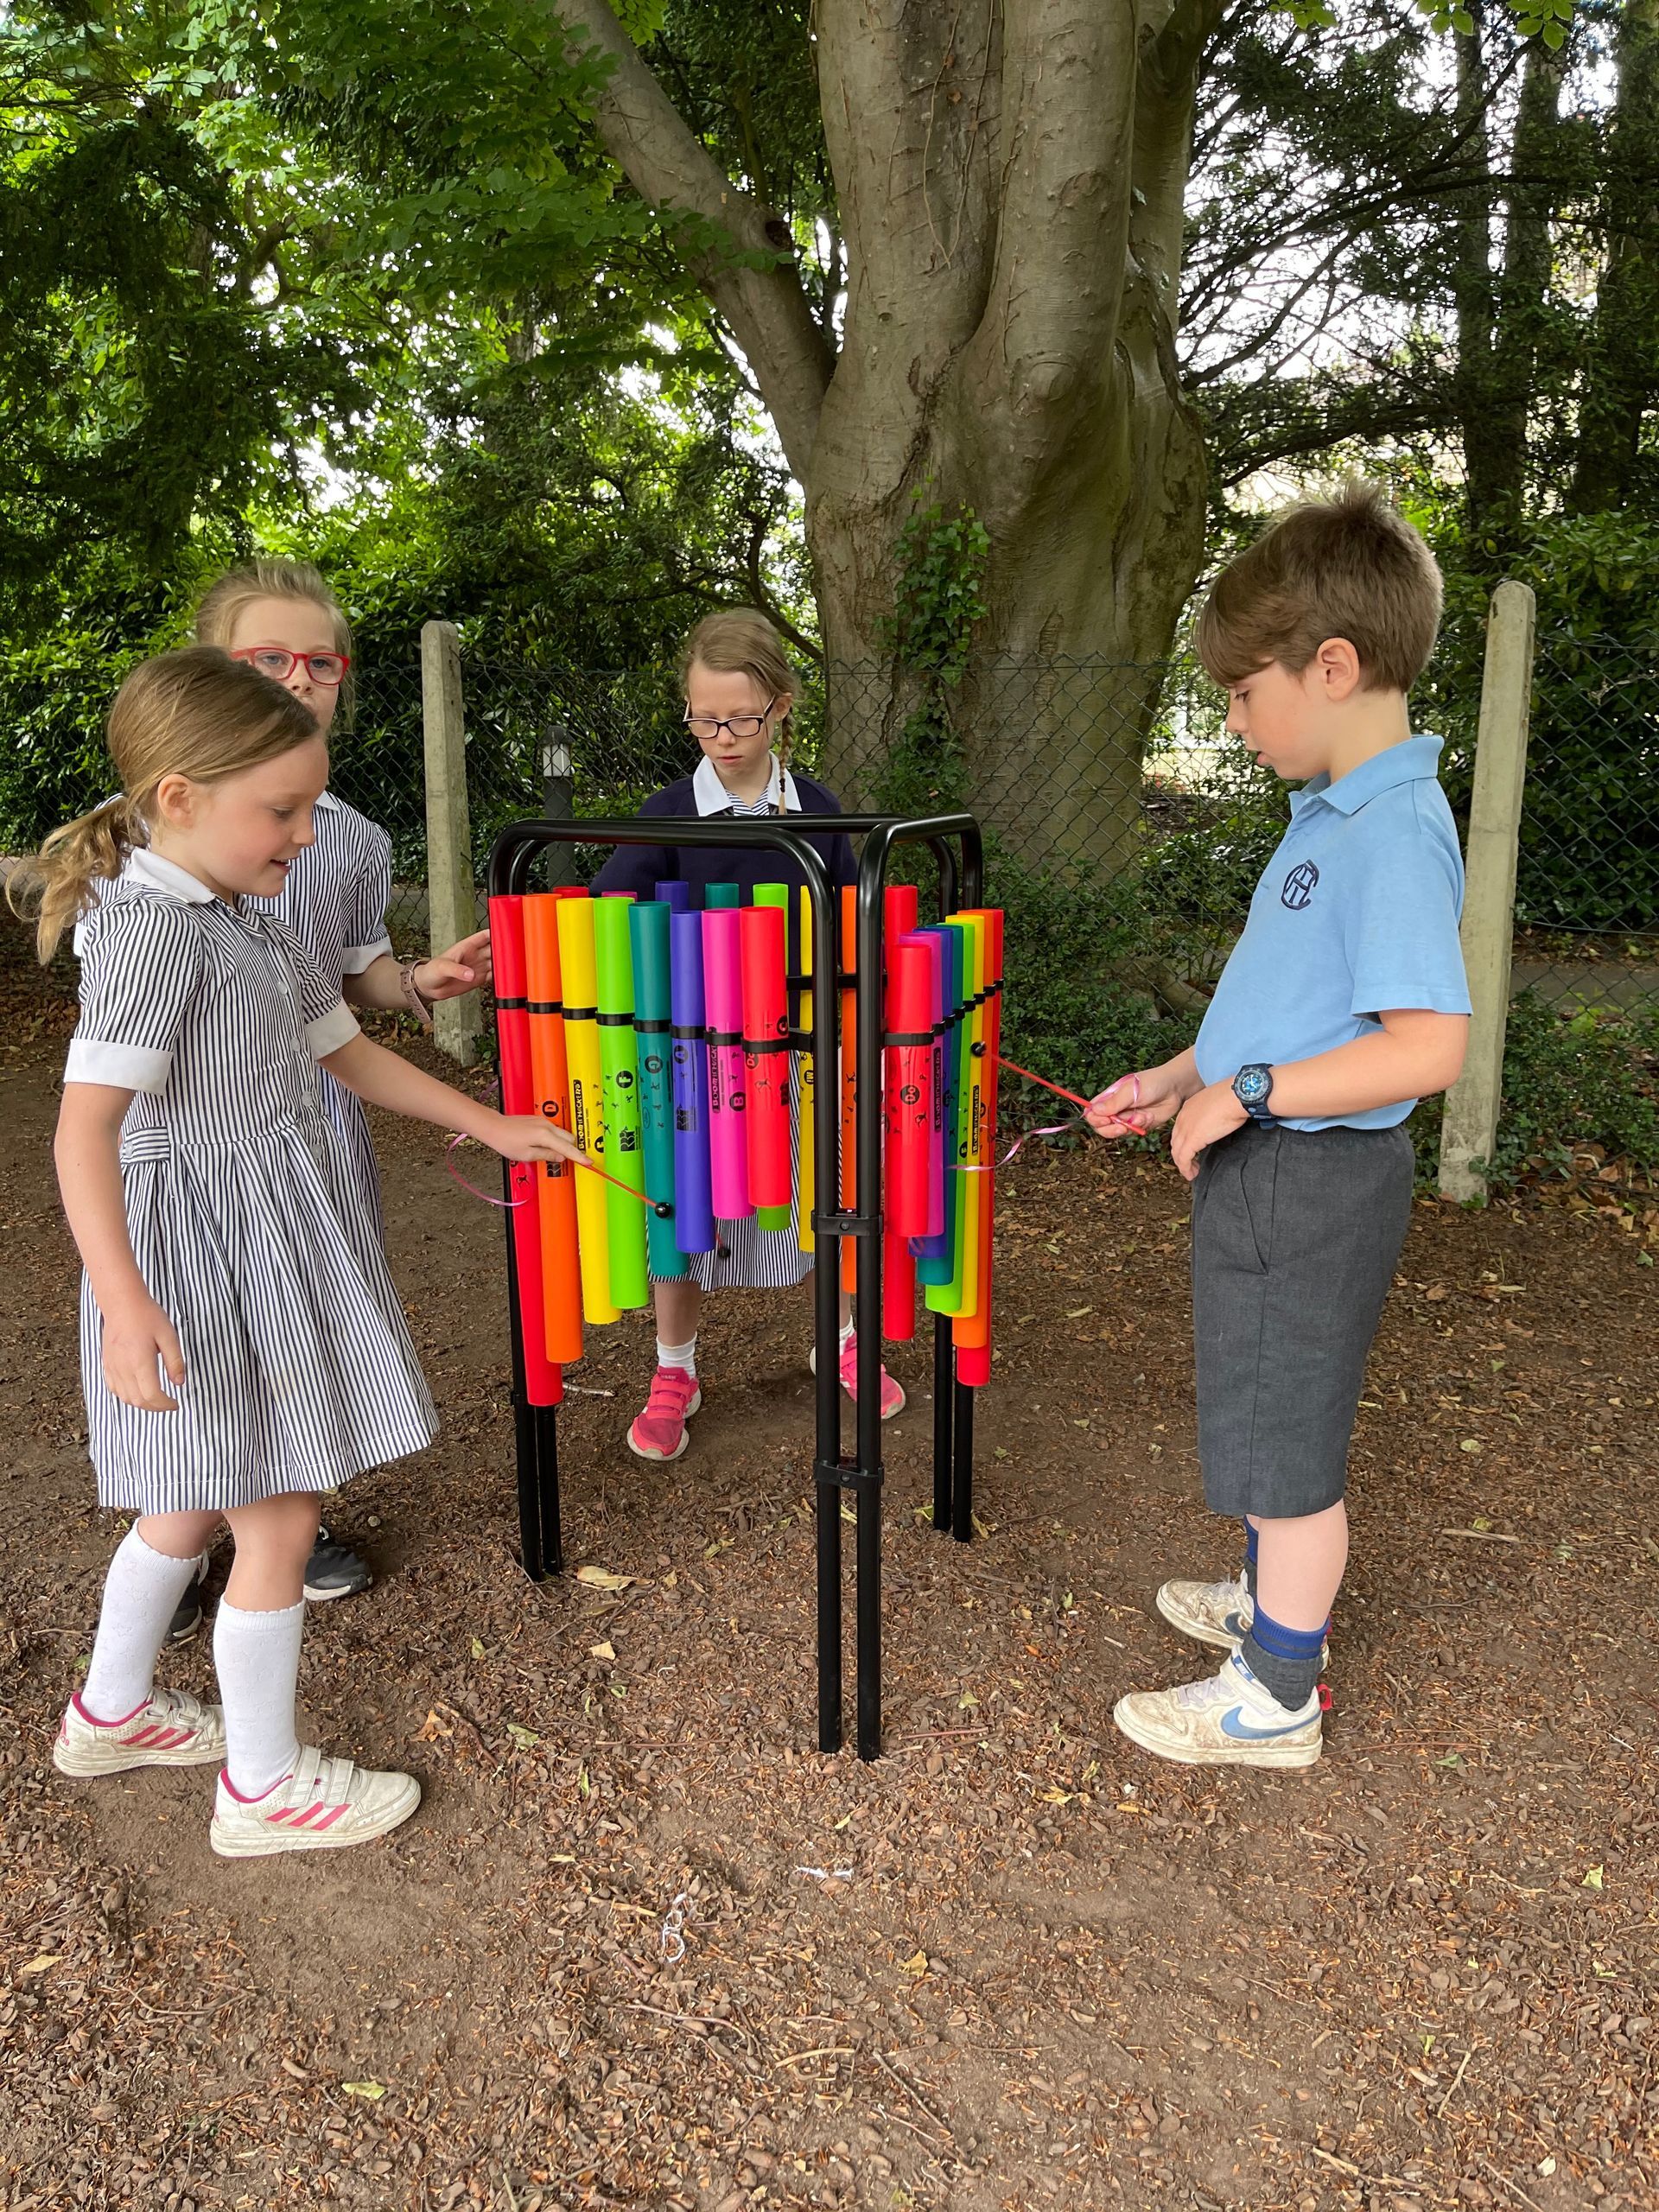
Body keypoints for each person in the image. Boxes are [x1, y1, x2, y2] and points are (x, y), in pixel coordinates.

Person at [12, 647, 577, 1855]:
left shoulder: (230, 906)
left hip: (253, 1223)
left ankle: (112, 1710)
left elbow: (337, 1045)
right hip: (204, 1254)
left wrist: (488, 1122)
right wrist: (123, 1300)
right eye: (283, 809)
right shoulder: (156, 934)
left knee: (187, 1500)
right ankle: (263, 1790)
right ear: (177, 796)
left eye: (312, 806)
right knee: (274, 1514)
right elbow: (82, 1134)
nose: (307, 834)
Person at [1086, 480, 1471, 1769]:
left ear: (1335, 665)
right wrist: (1174, 1074)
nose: (1235, 721)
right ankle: (1265, 1606)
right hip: (1269, 1168)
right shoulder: (1327, 816)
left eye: (1245, 694)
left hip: (1312, 1181)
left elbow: (1427, 1047)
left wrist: (1245, 1096)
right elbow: (1283, 1012)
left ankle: (1277, 1696)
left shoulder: (1394, 832)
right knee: (1260, 1408)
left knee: (1290, 1441)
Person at [173, 558, 489, 1633]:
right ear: (212, 670)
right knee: (207, 1334)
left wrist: (413, 982)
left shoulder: (349, 838)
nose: (298, 678)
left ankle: (275, 1531)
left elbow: (343, 985)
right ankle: (190, 1542)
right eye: (268, 657)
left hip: (323, 1124)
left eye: (320, 662)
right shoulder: (152, 829)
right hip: (205, 1146)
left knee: (302, 1322)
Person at [591, 607, 904, 1464]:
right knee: (680, 1217)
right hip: (695, 1066)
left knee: (833, 1196)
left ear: (782, 708)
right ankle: (674, 1367)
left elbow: (854, 925)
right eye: (703, 717)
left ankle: (842, 1337)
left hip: (802, 1056)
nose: (722, 736)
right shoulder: (664, 816)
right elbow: (605, 921)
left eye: (740, 717)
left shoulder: (821, 811)